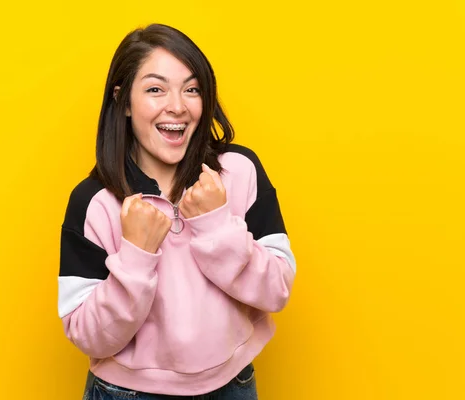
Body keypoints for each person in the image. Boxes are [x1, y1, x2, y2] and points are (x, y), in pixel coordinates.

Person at [58, 23, 297, 400]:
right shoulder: (94, 202)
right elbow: (89, 336)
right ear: (122, 101)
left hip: (231, 387)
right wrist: (136, 257)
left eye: (191, 89)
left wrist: (217, 226)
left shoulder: (239, 171)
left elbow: (277, 291)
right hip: (127, 393)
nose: (178, 106)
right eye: (155, 89)